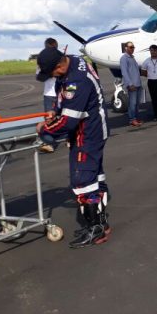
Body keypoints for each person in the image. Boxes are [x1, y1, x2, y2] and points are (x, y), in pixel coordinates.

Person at [35, 47, 111, 248]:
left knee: (82, 181)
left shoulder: (77, 81)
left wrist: (45, 131)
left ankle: (95, 228)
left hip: (86, 134)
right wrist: (54, 111)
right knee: (95, 177)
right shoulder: (75, 62)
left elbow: (68, 121)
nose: (51, 76)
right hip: (94, 129)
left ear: (60, 65)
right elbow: (62, 93)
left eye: (51, 72)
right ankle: (102, 223)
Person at [37, 37, 59, 153]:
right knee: (49, 119)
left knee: (65, 117)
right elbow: (39, 76)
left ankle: (70, 138)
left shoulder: (61, 58)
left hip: (60, 92)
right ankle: (50, 142)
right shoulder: (43, 60)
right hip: (49, 94)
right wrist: (49, 74)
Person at [119, 41, 142, 127]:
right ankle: (132, 119)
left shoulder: (132, 57)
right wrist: (130, 84)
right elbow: (124, 73)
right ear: (126, 48)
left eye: (133, 47)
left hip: (138, 84)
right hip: (132, 85)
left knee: (137, 103)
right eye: (131, 47)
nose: (133, 48)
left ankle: (135, 118)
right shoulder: (124, 58)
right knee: (132, 104)